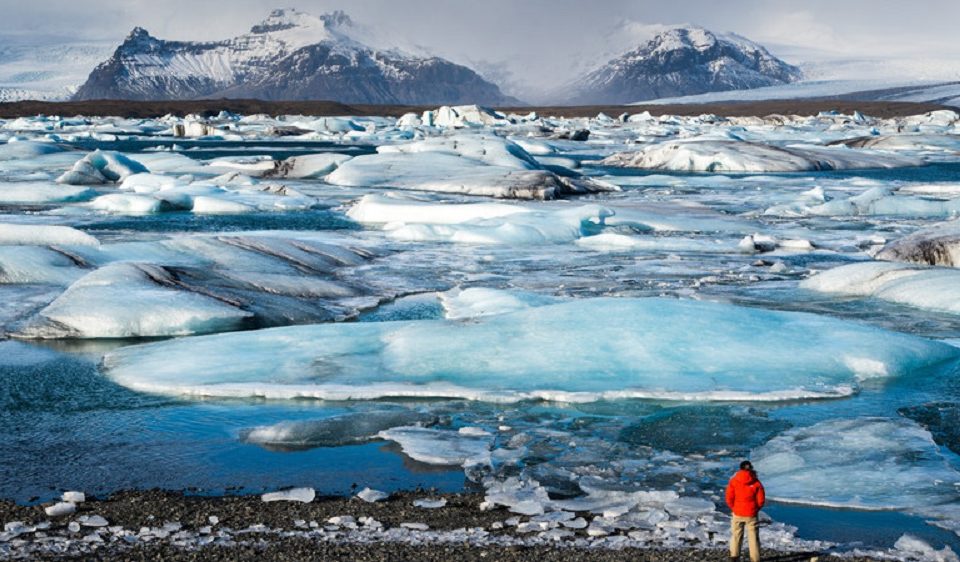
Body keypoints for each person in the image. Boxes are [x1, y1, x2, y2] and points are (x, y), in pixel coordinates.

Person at [726, 460, 765, 562]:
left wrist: (734, 508)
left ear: (740, 468)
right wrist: (756, 509)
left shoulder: (734, 481)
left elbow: (729, 497)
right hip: (751, 513)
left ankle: (734, 557)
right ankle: (755, 559)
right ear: (751, 468)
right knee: (753, 538)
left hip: (737, 512)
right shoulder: (756, 482)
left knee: (736, 535)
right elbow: (761, 499)